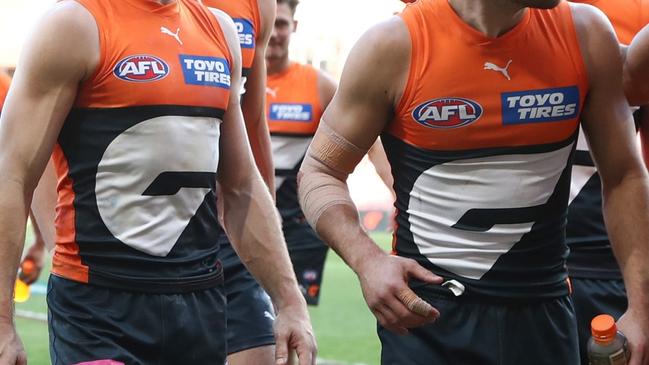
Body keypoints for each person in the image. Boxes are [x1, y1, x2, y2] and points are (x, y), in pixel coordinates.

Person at [298, 0, 649, 364]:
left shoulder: (586, 33)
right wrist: (367, 260)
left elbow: (624, 175)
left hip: (544, 314)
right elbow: (320, 172)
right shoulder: (394, 45)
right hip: (428, 318)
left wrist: (642, 308)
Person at [0, 1, 315, 364]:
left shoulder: (220, 31)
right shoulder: (75, 25)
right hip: (99, 308)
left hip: (199, 302)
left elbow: (242, 185)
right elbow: (14, 175)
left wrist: (289, 300)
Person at [566, 1, 649, 364]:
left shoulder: (635, 12)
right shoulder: (484, 13)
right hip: (491, 274)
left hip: (612, 265)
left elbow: (632, 173)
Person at [199, 0, 282, 363]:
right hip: (146, 243)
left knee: (266, 351)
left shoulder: (258, 5)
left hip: (232, 230)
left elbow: (253, 122)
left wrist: (267, 231)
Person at [265, 0, 336, 306]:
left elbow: (370, 144)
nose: (273, 34)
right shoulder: (231, 83)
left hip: (298, 230)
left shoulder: (319, 86)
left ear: (293, 27)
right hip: (238, 225)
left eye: (281, 24)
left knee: (292, 321)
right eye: (269, 24)